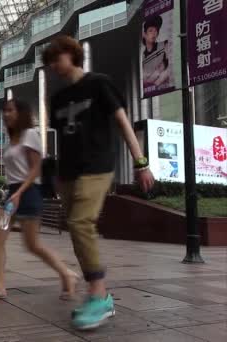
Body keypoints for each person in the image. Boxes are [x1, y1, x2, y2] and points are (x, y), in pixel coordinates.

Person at [43, 36, 154, 330]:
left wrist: (141, 162)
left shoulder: (99, 84)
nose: (53, 66)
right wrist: (55, 175)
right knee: (77, 229)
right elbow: (63, 140)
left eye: (56, 58)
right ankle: (97, 292)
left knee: (81, 224)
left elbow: (122, 121)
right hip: (68, 173)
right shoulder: (56, 99)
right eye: (49, 62)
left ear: (71, 54)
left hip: (97, 167)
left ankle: (99, 294)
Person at [0, 98, 79, 302]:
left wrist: (20, 192)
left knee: (32, 244)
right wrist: (11, 193)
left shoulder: (30, 135)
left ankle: (67, 273)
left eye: (10, 110)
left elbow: (35, 170)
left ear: (20, 113)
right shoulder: (12, 138)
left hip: (29, 193)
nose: (6, 114)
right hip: (12, 196)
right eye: (5, 111)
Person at [141, 15, 170, 89]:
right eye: (150, 30)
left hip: (165, 87)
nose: (154, 33)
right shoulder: (142, 57)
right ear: (144, 34)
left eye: (156, 30)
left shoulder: (164, 45)